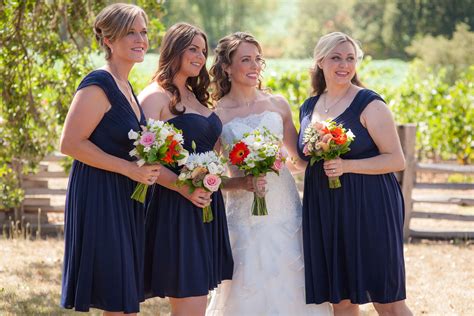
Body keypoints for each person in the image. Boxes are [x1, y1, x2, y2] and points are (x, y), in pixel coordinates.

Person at [206, 32, 332, 316]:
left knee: (292, 279)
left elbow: (298, 161)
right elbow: (209, 177)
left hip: (284, 208)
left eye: (258, 60)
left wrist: (321, 144)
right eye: (245, 60)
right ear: (226, 67)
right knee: (246, 283)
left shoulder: (278, 104)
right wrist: (241, 181)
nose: (254, 67)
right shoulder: (216, 115)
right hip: (243, 215)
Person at [297, 32, 412, 315]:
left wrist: (348, 166)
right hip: (327, 208)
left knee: (388, 301)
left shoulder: (370, 104)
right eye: (336, 57)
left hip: (370, 205)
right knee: (343, 301)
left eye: (350, 58)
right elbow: (305, 160)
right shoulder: (309, 107)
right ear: (320, 61)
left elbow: (397, 160)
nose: (344, 65)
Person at [60, 3, 161, 314]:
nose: (140, 39)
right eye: (130, 32)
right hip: (99, 195)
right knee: (115, 297)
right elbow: (70, 143)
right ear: (108, 38)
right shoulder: (98, 83)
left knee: (124, 297)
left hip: (125, 196)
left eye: (143, 32)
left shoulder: (127, 87)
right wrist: (128, 169)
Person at [138, 23, 234, 316]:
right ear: (174, 49)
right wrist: (185, 187)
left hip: (205, 204)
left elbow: (209, 148)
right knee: (191, 302)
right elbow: (144, 158)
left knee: (197, 302)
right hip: (176, 206)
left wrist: (209, 176)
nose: (200, 56)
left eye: (203, 51)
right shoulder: (155, 96)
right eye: (192, 48)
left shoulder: (198, 96)